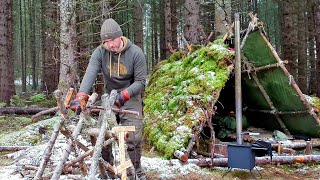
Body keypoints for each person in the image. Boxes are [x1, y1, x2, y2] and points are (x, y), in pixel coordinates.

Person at [73, 18, 147, 179]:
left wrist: (125, 95)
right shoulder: (100, 52)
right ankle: (107, 169)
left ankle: (135, 171)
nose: (110, 44)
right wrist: (82, 95)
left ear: (120, 36)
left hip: (131, 96)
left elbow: (141, 82)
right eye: (106, 41)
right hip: (108, 97)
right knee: (103, 133)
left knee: (133, 136)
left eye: (112, 40)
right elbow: (90, 72)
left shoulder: (136, 52)